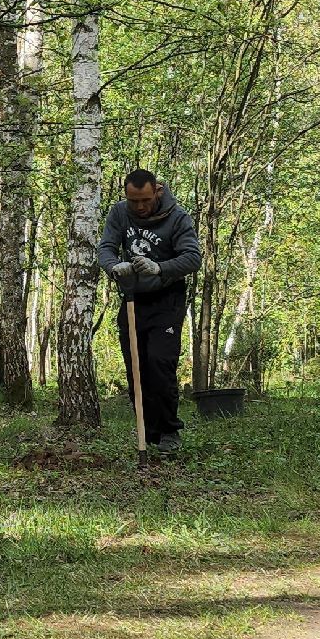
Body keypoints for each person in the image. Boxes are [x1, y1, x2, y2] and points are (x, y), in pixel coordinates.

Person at [97, 169, 201, 454]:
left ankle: (169, 432)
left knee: (159, 363)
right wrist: (113, 266)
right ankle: (148, 432)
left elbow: (193, 258)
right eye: (133, 201)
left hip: (167, 300)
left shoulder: (177, 218)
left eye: (144, 200)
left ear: (157, 191)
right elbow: (105, 248)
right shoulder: (119, 213)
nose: (140, 207)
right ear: (126, 196)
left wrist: (161, 268)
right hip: (133, 299)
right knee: (137, 368)